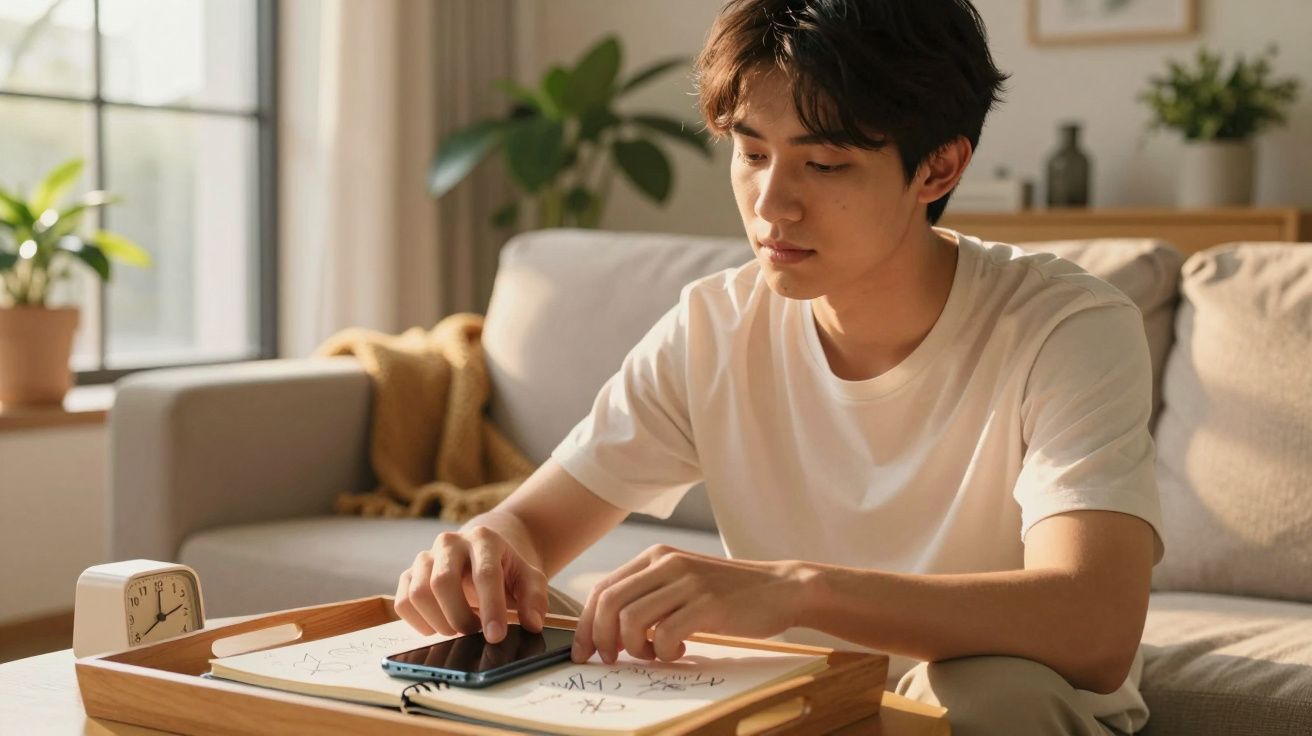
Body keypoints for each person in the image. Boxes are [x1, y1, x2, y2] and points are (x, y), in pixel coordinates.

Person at [394, 1, 1163, 734]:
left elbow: (1094, 623)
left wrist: (798, 590)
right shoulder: (714, 326)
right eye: (752, 153)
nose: (772, 205)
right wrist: (483, 550)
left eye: (824, 165)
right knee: (532, 635)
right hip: (789, 703)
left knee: (981, 689)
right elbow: (532, 525)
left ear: (938, 169)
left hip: (983, 710)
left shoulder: (1065, 326)